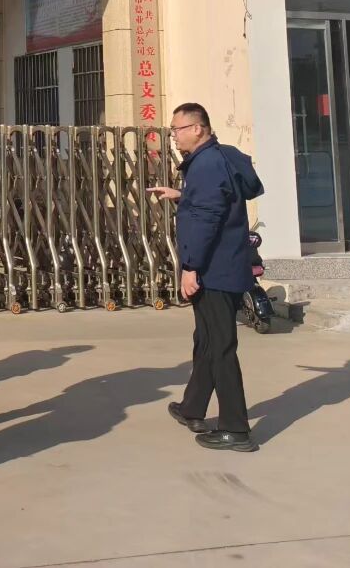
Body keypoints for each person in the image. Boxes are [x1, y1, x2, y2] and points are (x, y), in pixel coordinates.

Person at [150, 102, 264, 453]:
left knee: (221, 348)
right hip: (226, 265)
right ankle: (192, 408)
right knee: (207, 341)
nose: (173, 136)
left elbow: (207, 218)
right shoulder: (221, 157)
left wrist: (191, 267)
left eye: (177, 129)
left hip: (214, 271)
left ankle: (235, 429)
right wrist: (182, 196)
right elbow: (218, 201)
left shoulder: (206, 164)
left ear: (198, 128)